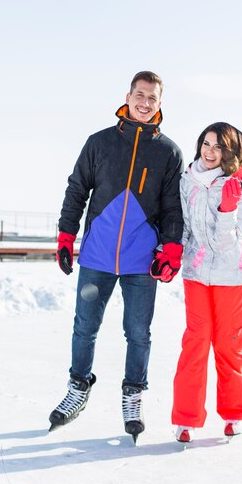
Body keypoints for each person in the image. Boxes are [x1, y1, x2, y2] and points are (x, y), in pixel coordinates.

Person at [49, 71, 184, 441]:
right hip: (97, 256)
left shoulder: (169, 152)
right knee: (84, 327)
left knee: (138, 332)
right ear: (128, 96)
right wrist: (66, 234)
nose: (144, 102)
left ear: (159, 103)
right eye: (139, 95)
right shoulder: (100, 143)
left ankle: (133, 395)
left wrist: (172, 246)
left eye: (152, 98)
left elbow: (173, 207)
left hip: (142, 261)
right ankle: (78, 387)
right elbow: (77, 189)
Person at [172, 122, 242, 443]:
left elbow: (226, 243)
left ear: (229, 152)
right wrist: (171, 254)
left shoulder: (241, 187)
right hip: (196, 272)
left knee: (228, 343)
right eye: (206, 144)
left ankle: (235, 413)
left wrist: (227, 211)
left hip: (232, 274)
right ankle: (185, 419)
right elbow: (183, 226)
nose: (210, 151)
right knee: (196, 340)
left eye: (218, 146)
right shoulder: (187, 181)